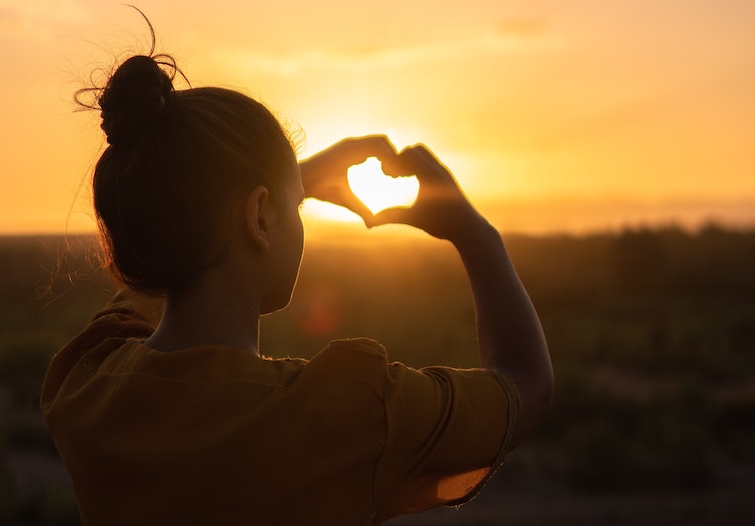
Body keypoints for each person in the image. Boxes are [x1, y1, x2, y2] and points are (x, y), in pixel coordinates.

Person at [41, 42, 553, 526]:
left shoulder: (87, 385)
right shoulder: (348, 414)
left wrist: (279, 183)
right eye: (297, 206)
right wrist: (475, 233)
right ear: (260, 216)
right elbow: (525, 385)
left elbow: (154, 270)